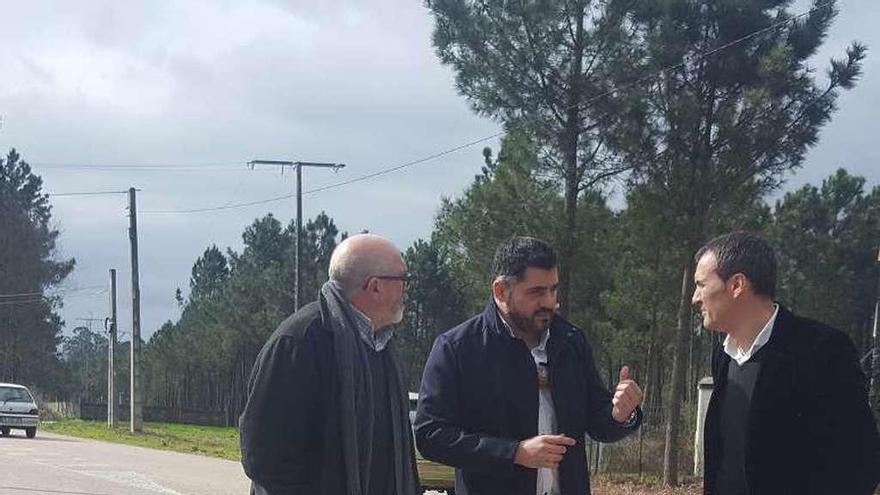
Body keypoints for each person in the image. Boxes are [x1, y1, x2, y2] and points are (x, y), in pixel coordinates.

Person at [415, 236, 643, 495]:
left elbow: (598, 422)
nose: (549, 302)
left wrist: (621, 415)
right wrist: (514, 453)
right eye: (536, 292)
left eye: (554, 290)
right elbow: (430, 436)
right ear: (501, 291)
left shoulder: (570, 342)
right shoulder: (458, 348)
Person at [693, 232, 880, 495]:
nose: (695, 298)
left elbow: (861, 463)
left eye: (701, 285)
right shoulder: (723, 357)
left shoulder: (822, 350)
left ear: (737, 285)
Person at [239, 233, 419, 495]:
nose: (407, 289)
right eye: (403, 279)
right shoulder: (300, 341)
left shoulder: (384, 346)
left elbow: (399, 452)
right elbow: (264, 456)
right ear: (375, 286)